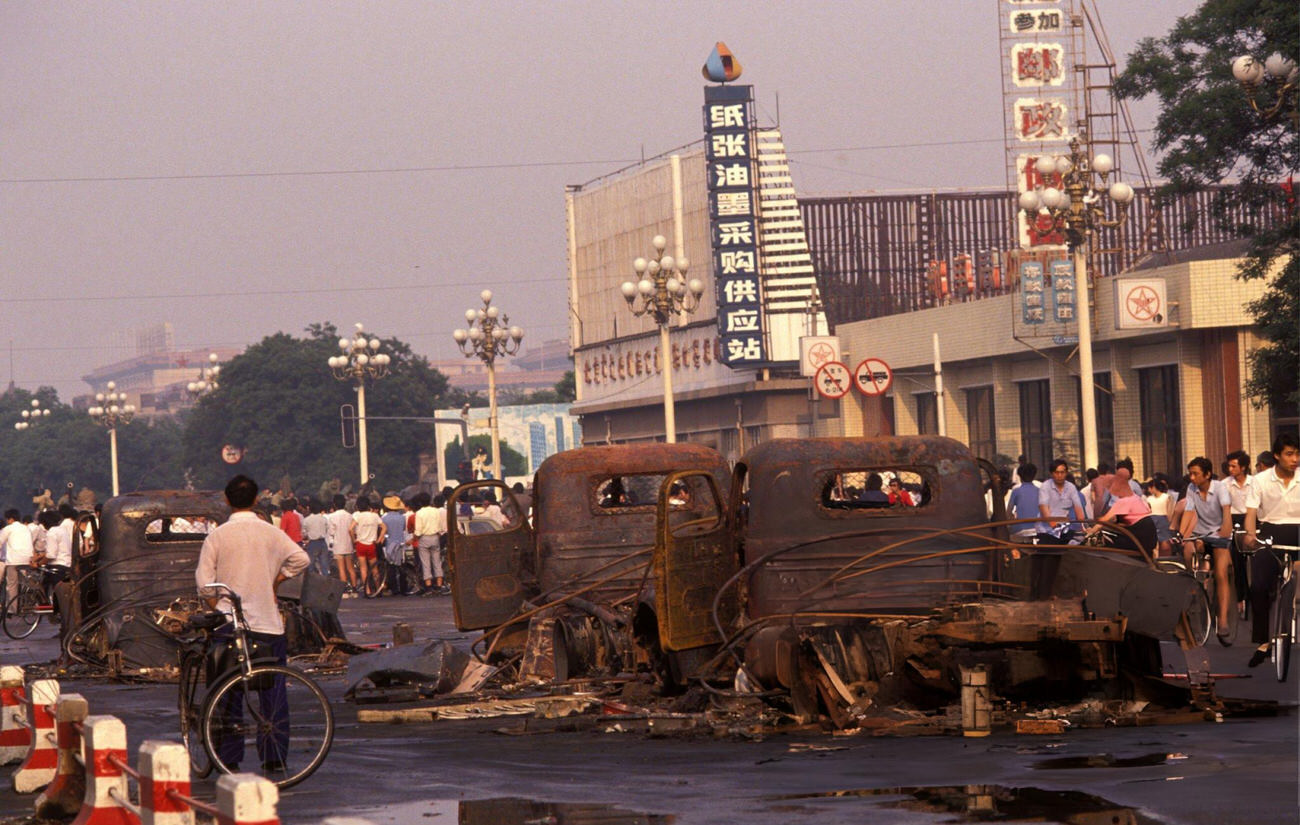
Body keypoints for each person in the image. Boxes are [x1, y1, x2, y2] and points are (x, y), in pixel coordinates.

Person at [195, 474, 310, 773]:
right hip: (268, 625)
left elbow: (204, 586)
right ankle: (274, 755)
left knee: (227, 690)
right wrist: (275, 581)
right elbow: (301, 560)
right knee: (273, 691)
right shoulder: (271, 533)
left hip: (228, 625)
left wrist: (219, 607)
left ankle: (229, 757)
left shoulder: (217, 536)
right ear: (257, 499)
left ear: (227, 499)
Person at [1244, 432, 1300, 668]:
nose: (1295, 459)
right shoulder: (1260, 480)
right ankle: (1263, 642)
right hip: (1269, 531)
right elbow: (1251, 514)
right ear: (1277, 456)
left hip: (1298, 529)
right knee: (1258, 586)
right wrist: (1250, 536)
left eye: (1298, 454)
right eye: (1289, 454)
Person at [1177, 457, 1234, 645]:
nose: (1192, 477)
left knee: (1221, 573)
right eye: (1190, 473)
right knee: (1189, 552)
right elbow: (1188, 512)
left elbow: (1226, 510)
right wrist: (1182, 534)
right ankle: (1196, 592)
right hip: (1201, 533)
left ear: (1208, 474)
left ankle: (1223, 620)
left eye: (1196, 474)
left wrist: (1226, 529)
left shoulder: (1219, 488)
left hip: (1220, 534)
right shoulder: (1192, 489)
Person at [1086, 474, 1156, 556]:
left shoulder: (1124, 501)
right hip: (1150, 535)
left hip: (1139, 537)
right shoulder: (1135, 497)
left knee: (1108, 543)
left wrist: (1089, 533)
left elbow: (1103, 522)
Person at [1223, 450, 1255, 609]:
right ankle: (1240, 597)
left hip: (1252, 518)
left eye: (1233, 466)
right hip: (1233, 520)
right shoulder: (1225, 484)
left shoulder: (1254, 482)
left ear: (1243, 467)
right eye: (1229, 466)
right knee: (1236, 558)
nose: (1230, 469)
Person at [1037, 460, 1085, 543]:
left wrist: (1084, 526)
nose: (1059, 475)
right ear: (1051, 474)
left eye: (1062, 472)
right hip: (1046, 530)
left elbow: (1079, 510)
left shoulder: (1071, 487)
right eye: (1056, 472)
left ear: (1066, 473)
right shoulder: (1045, 486)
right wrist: (1055, 527)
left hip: (1064, 529)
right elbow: (1044, 510)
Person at [412, 493, 449, 595]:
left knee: (426, 563)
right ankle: (439, 585)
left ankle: (428, 586)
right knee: (437, 562)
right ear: (430, 501)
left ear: (420, 502)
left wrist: (414, 538)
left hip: (424, 538)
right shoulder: (436, 511)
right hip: (435, 537)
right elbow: (441, 527)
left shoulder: (419, 513)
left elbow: (418, 530)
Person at [349, 497, 386, 597]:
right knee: (374, 568)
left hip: (360, 544)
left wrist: (354, 540)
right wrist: (379, 539)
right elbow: (384, 527)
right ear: (368, 505)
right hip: (371, 545)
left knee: (363, 568)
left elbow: (350, 529)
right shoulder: (374, 516)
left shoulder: (358, 516)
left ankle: (367, 590)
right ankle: (378, 588)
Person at [0, 509, 35, 606]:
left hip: (14, 560)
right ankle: (26, 603)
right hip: (27, 560)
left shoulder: (8, 528)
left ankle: (12, 609)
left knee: (12, 585)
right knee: (24, 582)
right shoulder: (26, 528)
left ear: (10, 519)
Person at [326, 495, 358, 598]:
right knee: (350, 568)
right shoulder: (350, 516)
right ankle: (354, 590)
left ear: (334, 504)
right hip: (349, 544)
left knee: (341, 569)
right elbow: (354, 530)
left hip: (338, 545)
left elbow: (331, 532)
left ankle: (344, 591)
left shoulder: (332, 516)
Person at [381, 496, 410, 595]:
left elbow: (384, 531)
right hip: (401, 543)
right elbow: (403, 529)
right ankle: (404, 588)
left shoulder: (384, 518)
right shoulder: (402, 517)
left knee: (391, 566)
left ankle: (394, 588)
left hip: (389, 544)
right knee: (401, 566)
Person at [1007, 463, 1041, 542]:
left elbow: (1008, 513)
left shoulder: (1016, 491)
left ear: (1020, 476)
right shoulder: (1040, 491)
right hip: (1039, 530)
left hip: (1021, 530)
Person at [300, 500, 330, 577]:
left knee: (311, 565)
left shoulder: (307, 520)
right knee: (324, 564)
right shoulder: (324, 519)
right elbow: (327, 529)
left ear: (309, 509)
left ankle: (312, 581)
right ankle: (325, 581)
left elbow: (304, 533)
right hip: (323, 542)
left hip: (313, 543)